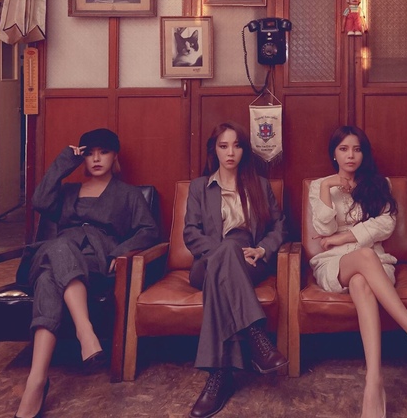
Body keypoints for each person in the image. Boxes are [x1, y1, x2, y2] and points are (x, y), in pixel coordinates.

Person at [310, 125, 407, 418]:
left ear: (364, 154)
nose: (350, 155)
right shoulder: (319, 185)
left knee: (362, 280)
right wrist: (327, 187)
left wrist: (344, 237)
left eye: (357, 149)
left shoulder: (379, 184)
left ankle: (374, 383)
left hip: (376, 267)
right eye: (343, 149)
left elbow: (386, 225)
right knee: (364, 255)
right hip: (333, 264)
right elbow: (323, 228)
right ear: (334, 154)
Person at [14, 128, 159, 418]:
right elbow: (39, 201)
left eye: (103, 152)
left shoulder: (129, 194)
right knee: (59, 247)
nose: (96, 159)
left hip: (94, 262)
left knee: (47, 280)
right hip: (53, 252)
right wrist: (66, 159)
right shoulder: (68, 191)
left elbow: (149, 231)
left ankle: (36, 381)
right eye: (89, 153)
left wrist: (119, 252)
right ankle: (85, 331)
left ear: (115, 156)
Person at [184, 121, 288, 418]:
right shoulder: (199, 187)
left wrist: (262, 249)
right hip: (207, 261)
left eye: (237, 145)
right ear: (214, 150)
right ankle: (256, 335)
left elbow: (280, 227)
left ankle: (219, 376)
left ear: (244, 150)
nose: (230, 152)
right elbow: (191, 233)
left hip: (248, 262)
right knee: (227, 250)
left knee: (230, 257)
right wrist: (222, 251)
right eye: (223, 146)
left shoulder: (260, 185)